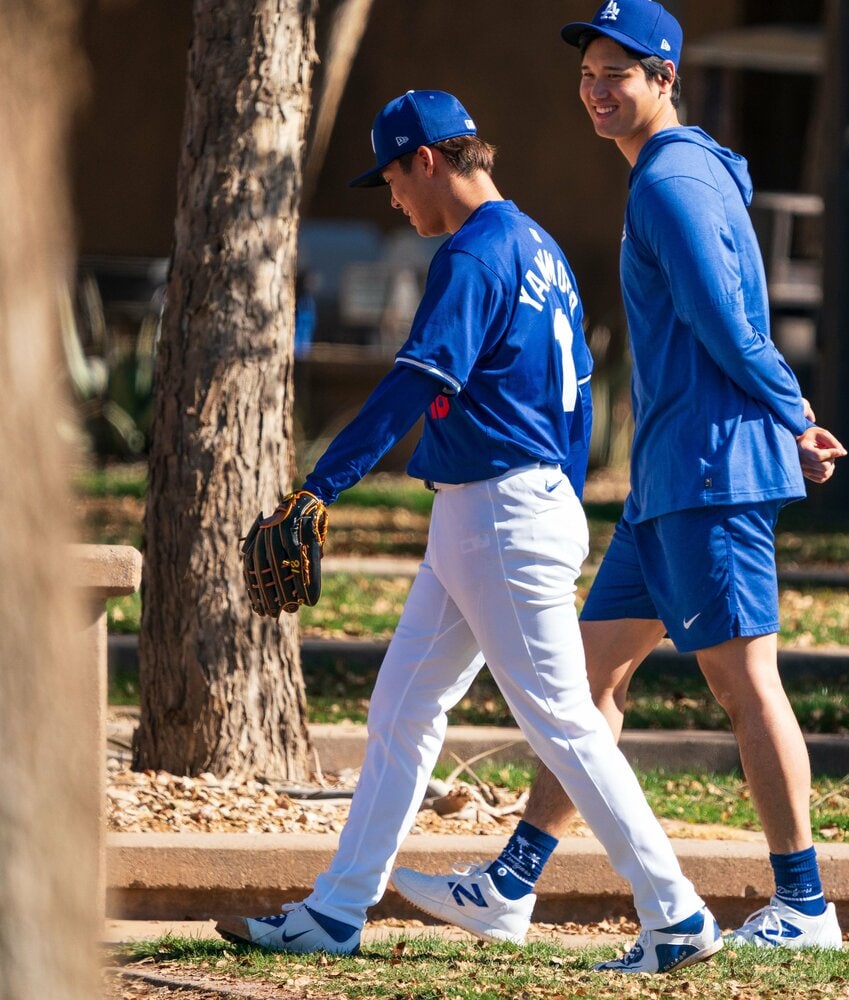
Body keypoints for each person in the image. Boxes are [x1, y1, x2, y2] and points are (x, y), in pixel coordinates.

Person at [214, 89, 722, 976]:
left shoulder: (474, 255)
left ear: (428, 160)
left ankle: (675, 912)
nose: (393, 198)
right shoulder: (538, 246)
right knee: (404, 710)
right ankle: (338, 909)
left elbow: (414, 383)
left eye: (393, 179)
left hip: (500, 511)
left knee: (564, 723)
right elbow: (574, 398)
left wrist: (319, 486)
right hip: (498, 506)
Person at [392, 0, 849, 952]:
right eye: (589, 74)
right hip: (667, 482)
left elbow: (727, 324)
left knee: (744, 683)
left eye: (619, 73)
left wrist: (793, 411)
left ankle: (805, 905)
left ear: (664, 79)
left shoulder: (670, 185)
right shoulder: (695, 172)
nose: (598, 90)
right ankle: (513, 882)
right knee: (586, 682)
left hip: (710, 474)